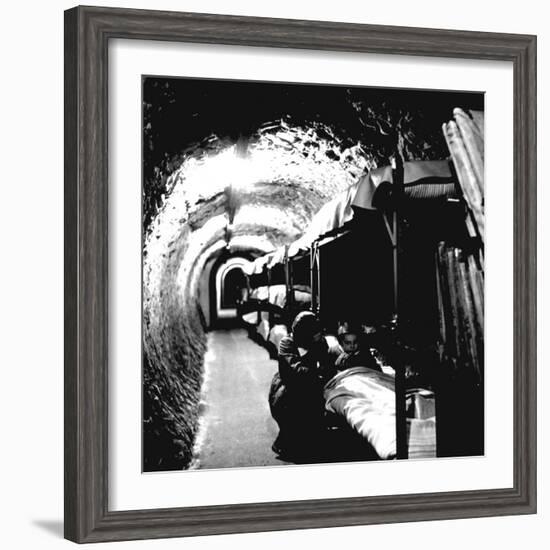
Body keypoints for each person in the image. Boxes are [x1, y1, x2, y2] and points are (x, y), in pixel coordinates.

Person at [268, 311, 336, 461]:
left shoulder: (319, 342)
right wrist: (318, 371)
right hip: (287, 387)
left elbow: (326, 364)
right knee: (294, 405)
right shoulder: (287, 343)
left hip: (310, 384)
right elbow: (296, 370)